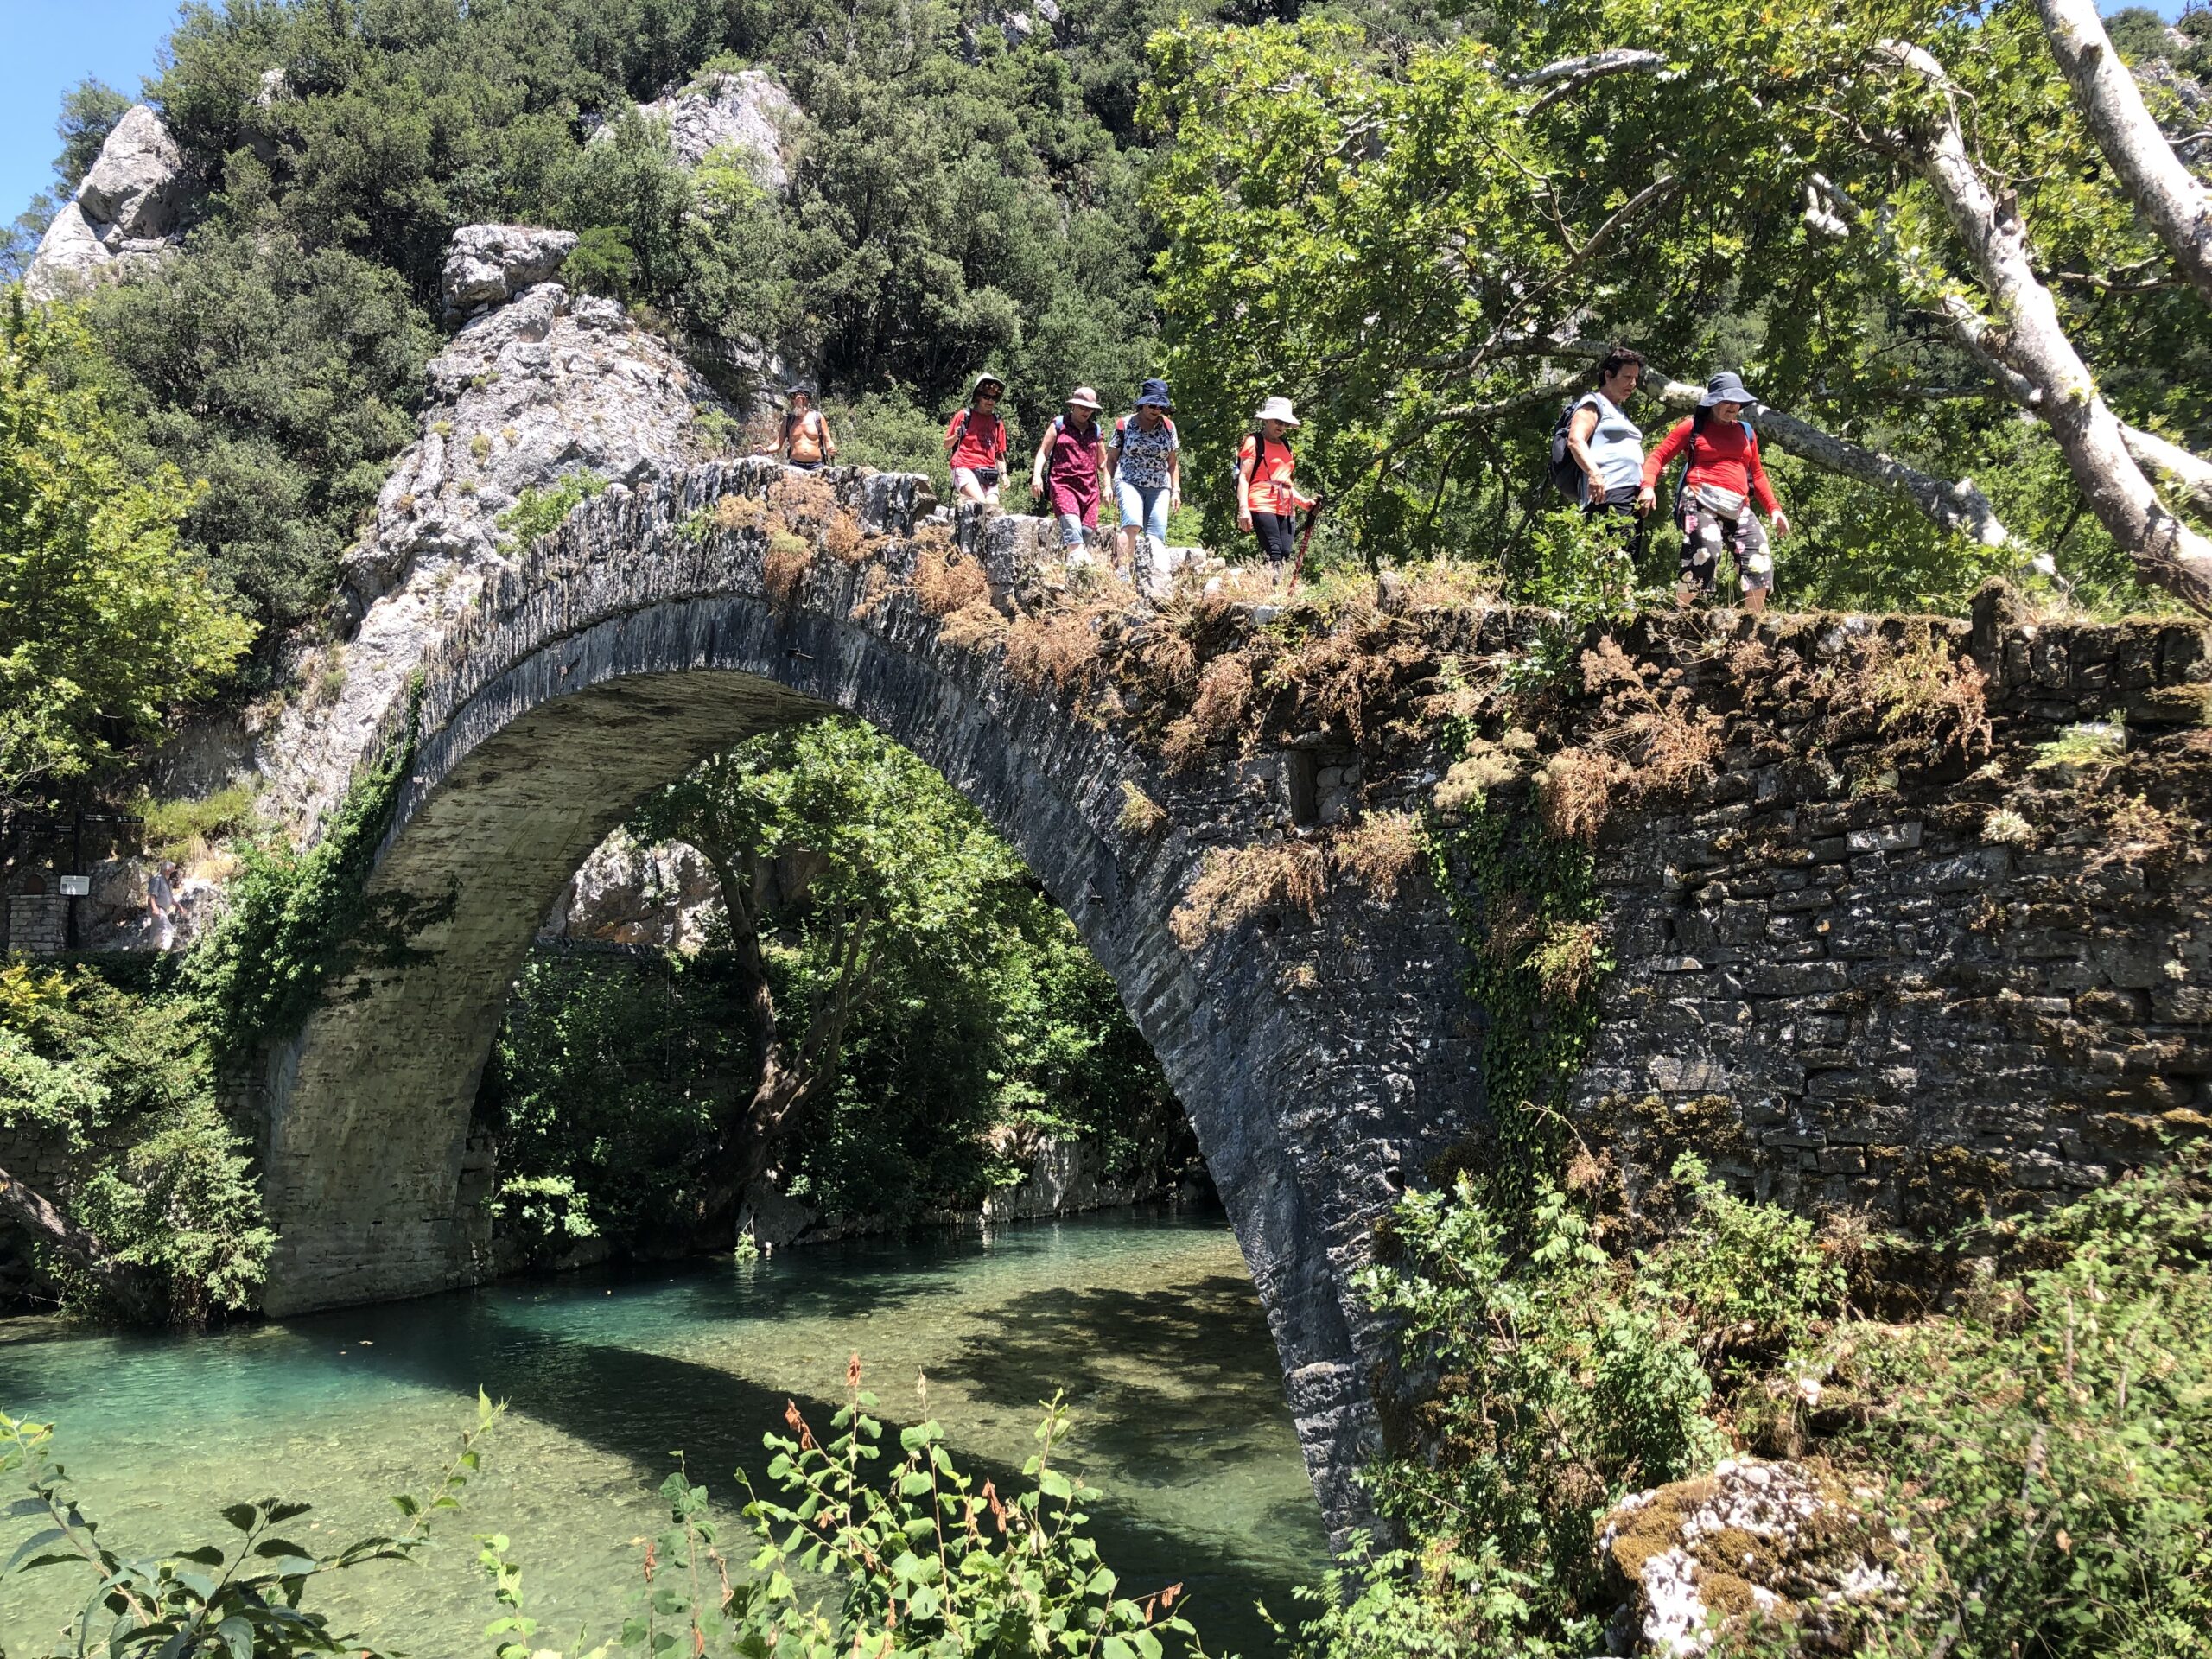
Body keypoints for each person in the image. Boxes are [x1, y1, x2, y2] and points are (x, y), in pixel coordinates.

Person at [1638, 371, 1791, 615]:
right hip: (1699, 499)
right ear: (1713, 401)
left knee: (1759, 557)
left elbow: (1758, 474)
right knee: (1706, 552)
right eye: (1727, 402)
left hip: (1738, 505)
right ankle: (1676, 615)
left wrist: (1774, 509)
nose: (1733, 407)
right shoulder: (1692, 427)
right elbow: (1657, 456)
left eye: (1737, 402)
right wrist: (1647, 486)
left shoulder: (1746, 432)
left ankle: (1753, 623)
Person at [1564, 347, 1649, 560]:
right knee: (1617, 564)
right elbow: (1575, 439)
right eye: (1627, 377)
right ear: (1608, 376)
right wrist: (1594, 473)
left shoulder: (1619, 411)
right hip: (1609, 493)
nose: (1633, 384)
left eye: (1635, 378)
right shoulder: (1593, 403)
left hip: (1629, 496)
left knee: (1625, 563)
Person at [1108, 378, 1181, 575]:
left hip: (1159, 485)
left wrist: (1176, 491)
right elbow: (1111, 459)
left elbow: (1173, 463)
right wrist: (1108, 486)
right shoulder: (1125, 424)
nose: (1156, 409)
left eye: (1161, 406)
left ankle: (1151, 576)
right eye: (1152, 405)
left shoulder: (1168, 427)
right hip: (1128, 480)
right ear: (1142, 403)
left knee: (1157, 532)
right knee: (1132, 523)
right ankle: (1123, 573)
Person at [1236, 396, 1317, 568]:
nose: (1281, 426)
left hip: (1286, 505)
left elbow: (1285, 482)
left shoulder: (1286, 446)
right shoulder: (1254, 442)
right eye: (1278, 421)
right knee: (1274, 550)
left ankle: (1270, 584)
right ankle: (1272, 590)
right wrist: (1243, 508)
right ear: (1267, 420)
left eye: (1285, 423)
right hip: (1261, 501)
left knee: (1285, 552)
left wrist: (1305, 503)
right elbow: (1243, 477)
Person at [1029, 385, 1111, 553]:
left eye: (1090, 409)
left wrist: (1109, 486)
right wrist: (1036, 475)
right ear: (1073, 406)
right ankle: (1078, 569)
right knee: (1073, 530)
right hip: (1063, 485)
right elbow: (1043, 452)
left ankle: (1068, 566)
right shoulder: (1059, 424)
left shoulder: (1095, 430)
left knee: (1087, 532)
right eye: (1083, 407)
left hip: (1090, 490)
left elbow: (1103, 464)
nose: (1086, 412)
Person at [944, 372, 1010, 505]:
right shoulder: (964, 416)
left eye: (994, 398)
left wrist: (1004, 474)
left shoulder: (997, 422)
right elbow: (946, 445)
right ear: (978, 397)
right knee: (982, 504)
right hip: (965, 466)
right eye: (986, 397)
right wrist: (956, 436)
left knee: (994, 510)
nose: (990, 401)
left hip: (988, 472)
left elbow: (999, 454)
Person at [760, 384, 836, 470]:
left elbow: (828, 440)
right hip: (795, 466)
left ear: (803, 398)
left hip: (817, 466)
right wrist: (765, 450)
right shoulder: (788, 420)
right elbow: (778, 444)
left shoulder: (818, 417)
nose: (791, 401)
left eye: (793, 396)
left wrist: (831, 449)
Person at [147, 859, 181, 952]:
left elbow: (169, 898)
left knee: (157, 932)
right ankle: (166, 953)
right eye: (172, 870)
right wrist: (155, 908)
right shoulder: (157, 879)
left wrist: (177, 905)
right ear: (167, 870)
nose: (174, 872)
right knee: (167, 929)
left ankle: (151, 952)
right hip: (157, 909)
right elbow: (152, 895)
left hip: (162, 910)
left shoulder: (168, 882)